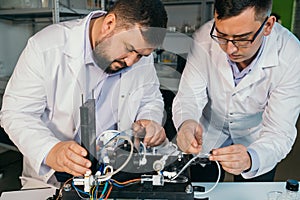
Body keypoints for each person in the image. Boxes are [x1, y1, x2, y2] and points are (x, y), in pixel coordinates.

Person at [0, 0, 168, 187]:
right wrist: (51, 150)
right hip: (54, 180)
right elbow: (16, 113)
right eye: (129, 50)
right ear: (109, 24)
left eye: (140, 56)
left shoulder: (139, 56)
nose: (131, 62)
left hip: (115, 175)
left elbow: (151, 98)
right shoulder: (46, 47)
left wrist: (150, 119)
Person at [173, 0, 300, 182]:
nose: (230, 49)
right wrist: (186, 123)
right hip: (207, 133)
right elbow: (189, 96)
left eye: (242, 38)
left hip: (257, 140)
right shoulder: (203, 38)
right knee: (201, 190)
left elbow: (279, 131)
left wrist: (251, 158)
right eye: (222, 35)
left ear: (268, 26)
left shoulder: (291, 54)